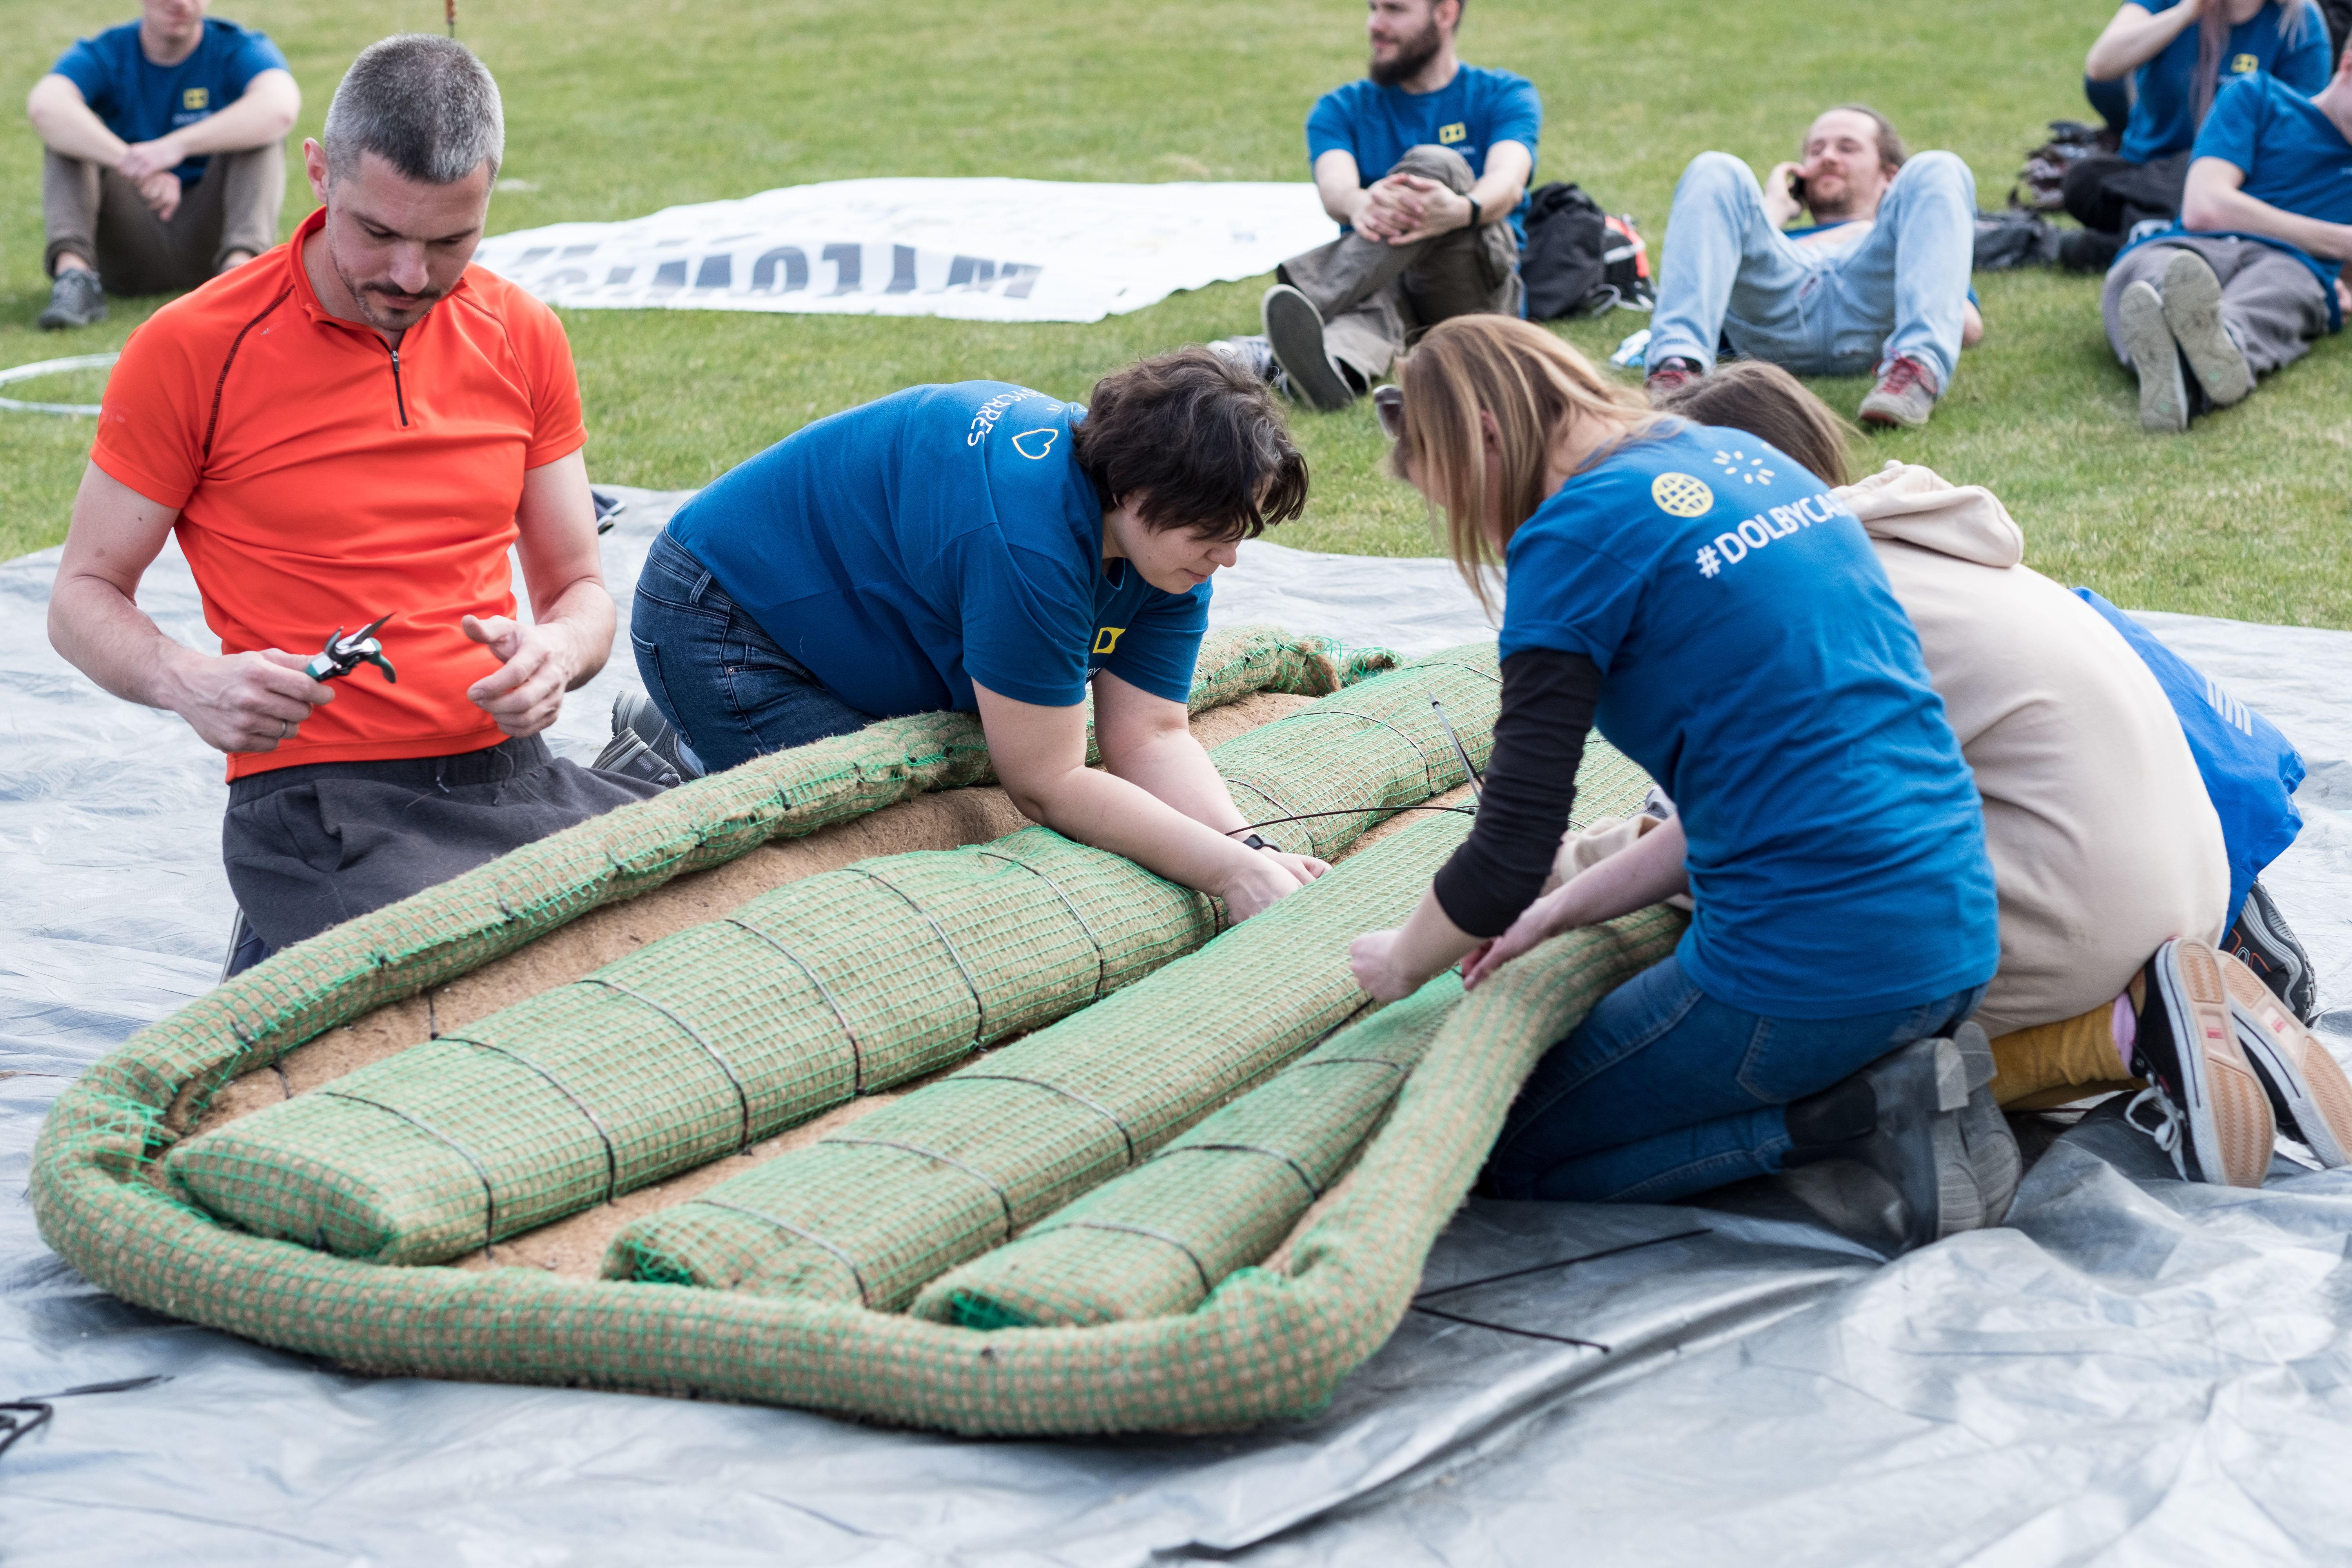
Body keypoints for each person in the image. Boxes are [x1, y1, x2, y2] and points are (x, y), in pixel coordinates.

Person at [1346, 315, 2013, 1257]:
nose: (1471, 528)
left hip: (1805, 973)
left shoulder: (1573, 534)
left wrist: (1401, 960)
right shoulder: (1744, 458)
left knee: (1500, 1148)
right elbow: (1752, 796)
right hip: (1954, 933)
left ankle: (1849, 1120)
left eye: (1450, 493)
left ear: (1488, 437)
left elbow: (1506, 854)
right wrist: (1560, 912)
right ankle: (1892, 1076)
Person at [1650, 361, 2352, 1187]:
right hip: (2200, 870)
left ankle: (2128, 1036)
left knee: (1800, 1024)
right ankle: (2195, 995)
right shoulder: (1935, 535)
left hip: (2085, 903)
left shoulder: (1804, 604)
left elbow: (1745, 830)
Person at [47, 35, 657, 976]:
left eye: (450, 241)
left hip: (512, 779)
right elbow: (82, 596)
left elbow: (579, 584)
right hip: (320, 801)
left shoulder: (522, 333)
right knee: (467, 983)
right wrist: (188, 680)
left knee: (712, 932)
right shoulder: (193, 348)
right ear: (320, 174)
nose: (410, 276)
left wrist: (561, 653)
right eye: (377, 232)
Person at [615, 348, 1331, 925]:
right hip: (719, 617)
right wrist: (1226, 874)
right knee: (885, 849)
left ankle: (691, 734)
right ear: (1137, 492)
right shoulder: (1030, 540)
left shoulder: (1168, 538)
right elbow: (1047, 784)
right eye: (1214, 533)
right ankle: (687, 750)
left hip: (841, 624)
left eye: (1242, 533)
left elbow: (1150, 735)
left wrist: (1246, 846)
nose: (1228, 557)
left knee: (965, 787)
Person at [1245, 0, 1538, 412]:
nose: (1375, 25)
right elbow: (1336, 190)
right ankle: (1331, 368)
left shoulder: (1504, 94)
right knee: (1369, 308)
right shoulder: (1340, 109)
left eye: (1395, 10)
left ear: (1445, 13)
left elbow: (1507, 183)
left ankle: (1306, 303)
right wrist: (1360, 202)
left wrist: (1460, 209)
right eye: (1373, 8)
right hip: (1378, 286)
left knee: (1436, 163)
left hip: (1471, 289)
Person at [1642, 106, 1984, 429]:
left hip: (1872, 313)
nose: (1829, 157)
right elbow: (1709, 281)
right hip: (1776, 317)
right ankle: (1677, 374)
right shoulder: (1775, 239)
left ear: (1890, 177)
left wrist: (1867, 234)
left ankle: (1914, 377)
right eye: (1816, 150)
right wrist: (1773, 208)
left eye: (1848, 148)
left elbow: (1966, 328)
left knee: (1940, 166)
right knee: (1715, 168)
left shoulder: (1916, 242)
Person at [2102, 38, 2352, 430]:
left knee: (2284, 289)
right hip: (2194, 244)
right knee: (2149, 275)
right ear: (2349, 66)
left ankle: (2208, 353)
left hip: (2289, 266)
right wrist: (2342, 241)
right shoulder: (2258, 96)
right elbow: (2205, 207)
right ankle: (2189, 354)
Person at [27, 0, 299, 330]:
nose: (181, 3)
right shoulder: (108, 53)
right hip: (128, 238)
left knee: (261, 133)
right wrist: (133, 163)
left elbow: (280, 107)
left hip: (212, 237)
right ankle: (75, 277)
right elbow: (46, 105)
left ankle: (239, 278)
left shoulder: (236, 48)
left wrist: (174, 147)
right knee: (68, 135)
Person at [2065, 0, 2332, 272]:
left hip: (2233, 175)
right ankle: (2177, 235)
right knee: (2082, 181)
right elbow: (2101, 65)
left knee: (2204, 183)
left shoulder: (2299, 20)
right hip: (2147, 172)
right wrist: (2186, 13)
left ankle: (2121, 244)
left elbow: (2301, 136)